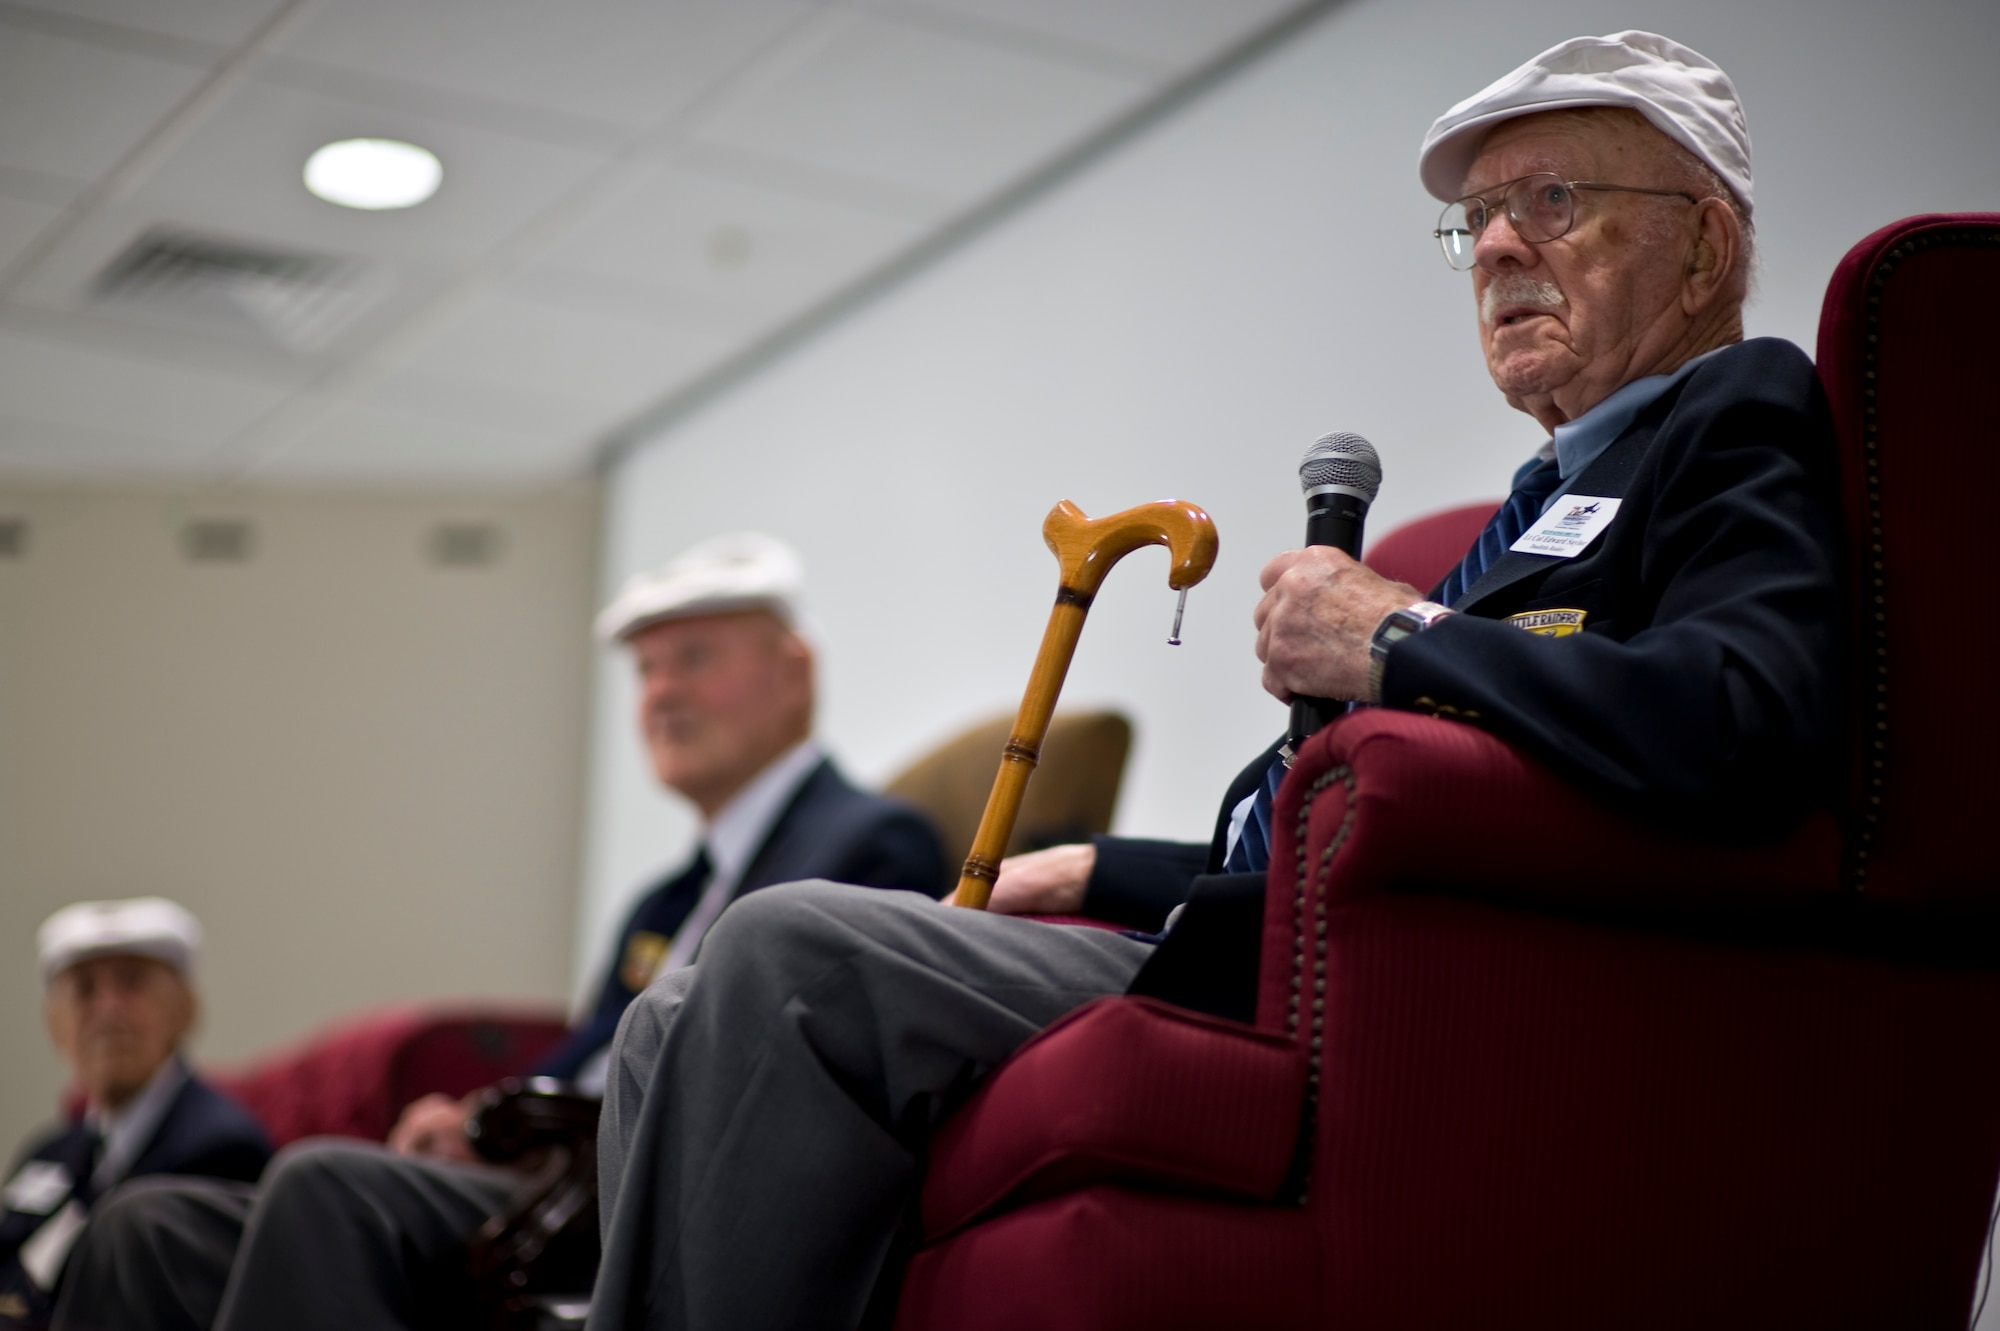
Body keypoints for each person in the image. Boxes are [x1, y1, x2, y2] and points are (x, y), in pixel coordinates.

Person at [579, 29, 1843, 1331]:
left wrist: (1398, 635)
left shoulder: (1732, 411)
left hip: (1391, 1000)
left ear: (1702, 247)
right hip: (1252, 943)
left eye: (1555, 202)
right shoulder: (1537, 507)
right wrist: (1086, 868)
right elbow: (1354, 823)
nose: (1503, 248)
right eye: (1479, 221)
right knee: (670, 1015)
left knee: (785, 951)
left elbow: (1743, 719)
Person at [51, 533, 946, 1331]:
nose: (662, 693)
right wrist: (477, 1123)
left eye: (696, 658)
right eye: (645, 671)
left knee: (324, 1184)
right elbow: (582, 1056)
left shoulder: (869, 841)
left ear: (795, 669)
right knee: (148, 1227)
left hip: (654, 1204)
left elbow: (788, 1086)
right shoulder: (664, 902)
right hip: (549, 1183)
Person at [2, 899, 270, 1330]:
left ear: (184, 1008)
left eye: (132, 984)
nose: (107, 1010)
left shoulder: (223, 1147)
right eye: (84, 989)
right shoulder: (46, 1153)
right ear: (54, 1024)